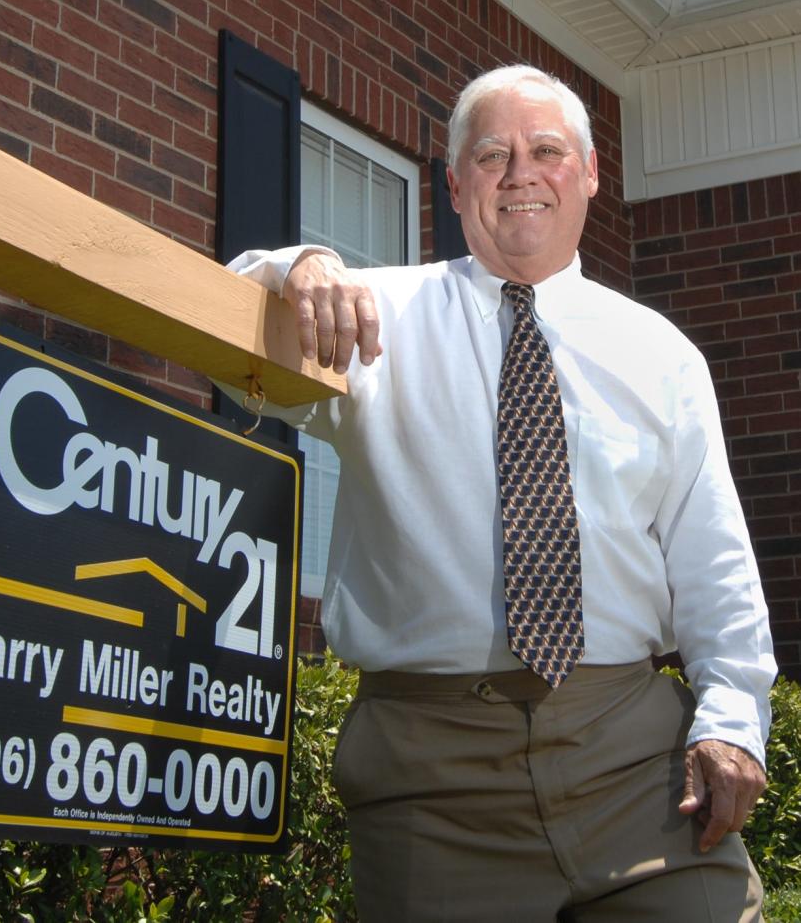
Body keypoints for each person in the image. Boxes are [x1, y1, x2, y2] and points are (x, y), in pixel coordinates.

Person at [229, 64, 775, 921]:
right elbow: (230, 338)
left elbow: (715, 564)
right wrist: (295, 266)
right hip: (430, 780)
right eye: (493, 155)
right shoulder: (375, 318)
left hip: (638, 762)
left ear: (590, 174)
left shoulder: (661, 354)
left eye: (547, 150)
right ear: (455, 185)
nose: (521, 173)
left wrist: (732, 720)